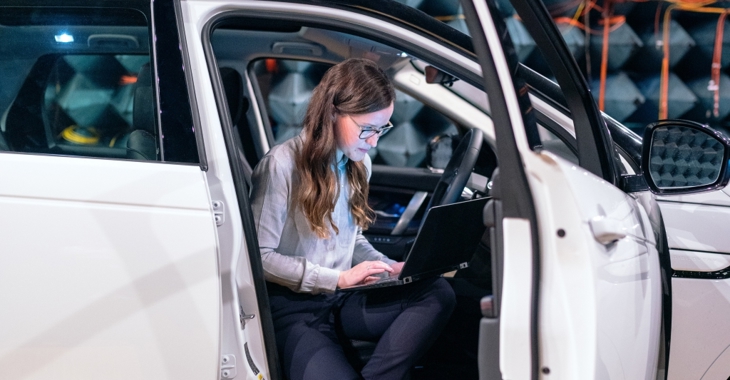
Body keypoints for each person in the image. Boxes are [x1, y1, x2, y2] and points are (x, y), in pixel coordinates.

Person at [250, 58, 456, 380]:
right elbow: (259, 259)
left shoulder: (358, 163)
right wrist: (337, 279)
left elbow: (353, 239)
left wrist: (386, 267)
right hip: (293, 309)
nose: (374, 142)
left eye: (382, 129)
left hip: (340, 300)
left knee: (437, 293)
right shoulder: (281, 164)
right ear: (333, 113)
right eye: (367, 129)